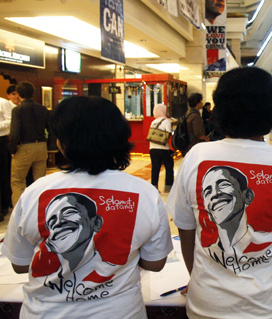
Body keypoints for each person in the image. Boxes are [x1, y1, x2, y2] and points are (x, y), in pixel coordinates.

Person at [167, 67, 272, 319]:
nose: (216, 196)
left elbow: (186, 230)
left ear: (219, 109)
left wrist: (198, 279)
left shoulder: (197, 156)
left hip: (208, 305)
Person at [1, 96, 173, 318]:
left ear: (62, 144)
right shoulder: (144, 193)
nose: (59, 223)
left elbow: (20, 263)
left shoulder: (35, 192)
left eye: (69, 214)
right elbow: (155, 262)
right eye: (53, 219)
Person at [8, 81, 49, 206]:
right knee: (40, 182)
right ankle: (40, 208)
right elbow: (50, 128)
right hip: (41, 146)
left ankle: (20, 212)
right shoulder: (42, 109)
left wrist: (12, 149)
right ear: (33, 93)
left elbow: (15, 132)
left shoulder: (17, 110)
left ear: (19, 94)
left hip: (24, 147)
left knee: (18, 181)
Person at [0, 85, 19, 217]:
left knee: (3, 173)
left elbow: (10, 121)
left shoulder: (3, 103)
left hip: (1, 140)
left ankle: (4, 206)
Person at [149, 103, 174, 192]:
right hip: (164, 148)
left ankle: (154, 187)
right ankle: (168, 187)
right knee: (169, 167)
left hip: (152, 148)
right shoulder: (166, 121)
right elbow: (168, 133)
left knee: (155, 168)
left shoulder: (153, 122)